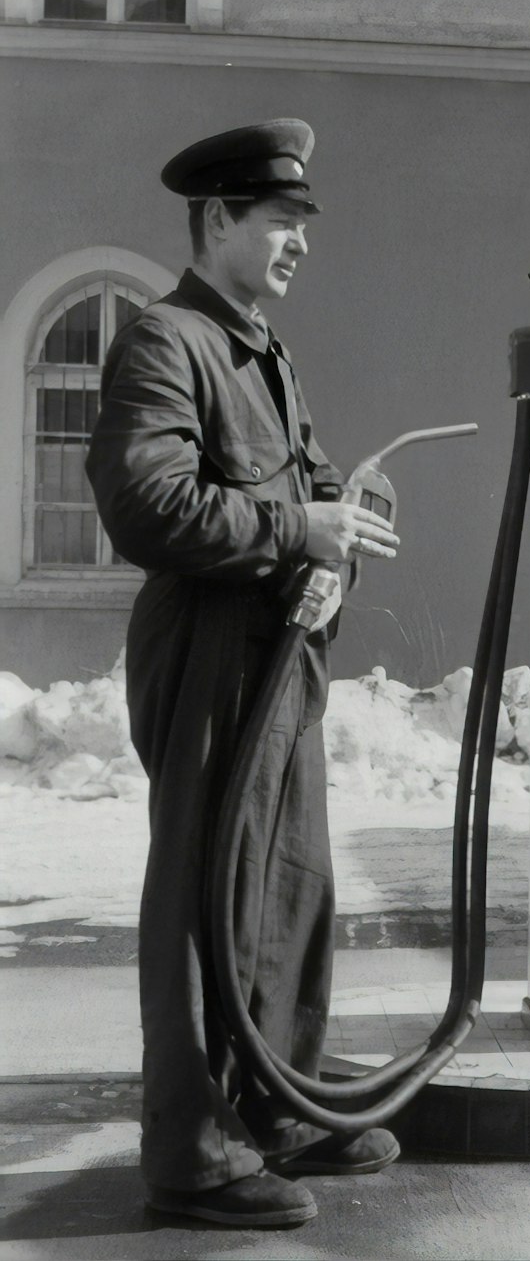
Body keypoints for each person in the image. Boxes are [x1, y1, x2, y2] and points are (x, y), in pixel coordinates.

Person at [85, 120, 401, 1229]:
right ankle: (196, 1154)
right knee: (205, 895)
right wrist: (293, 527)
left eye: (303, 223)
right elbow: (146, 504)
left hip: (279, 653)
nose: (298, 242)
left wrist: (346, 527)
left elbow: (307, 494)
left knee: (288, 885)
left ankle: (278, 1109)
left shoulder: (256, 346)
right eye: (279, 221)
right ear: (218, 219)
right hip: (212, 649)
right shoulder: (167, 341)